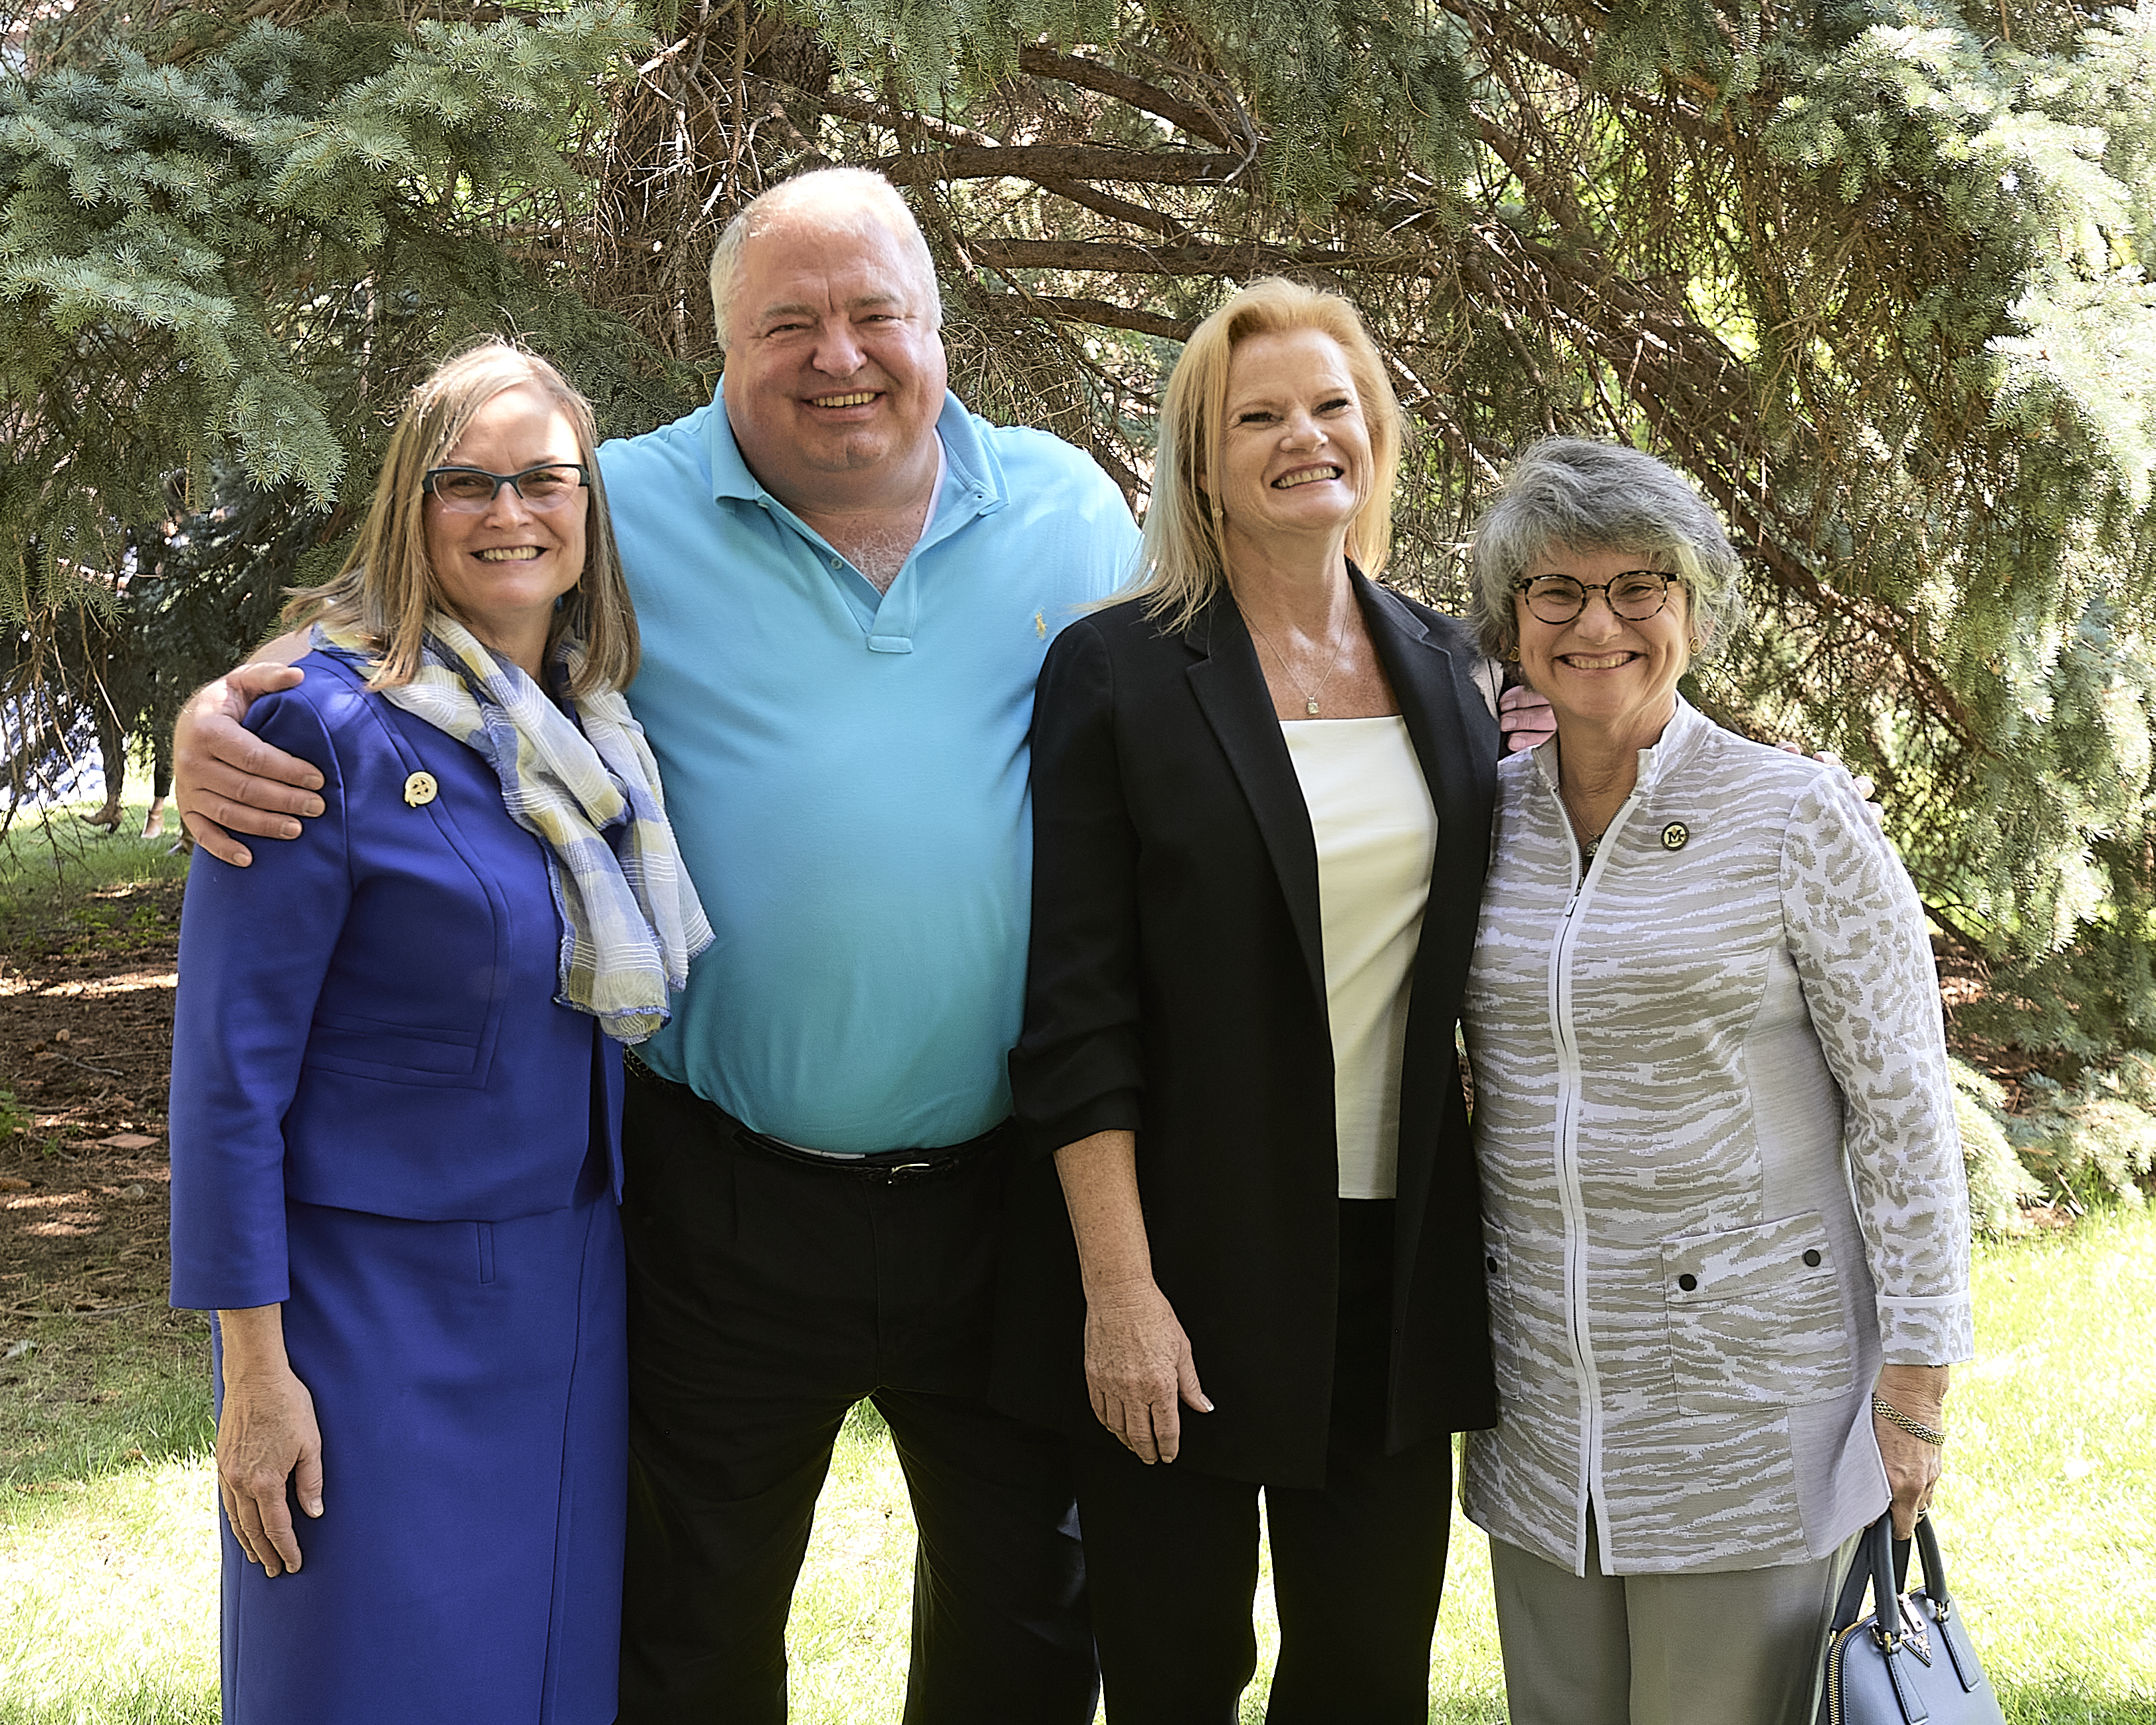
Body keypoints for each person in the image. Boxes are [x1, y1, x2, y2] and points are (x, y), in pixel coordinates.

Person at [173, 168, 1132, 1724]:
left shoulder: (1075, 512)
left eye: (876, 313)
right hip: (722, 1195)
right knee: (686, 1631)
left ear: (936, 325)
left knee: (1027, 1622)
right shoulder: (623, 499)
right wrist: (219, 708)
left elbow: (1221, 702)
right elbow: (412, 605)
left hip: (1001, 1191)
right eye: (789, 323)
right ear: (721, 348)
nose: (840, 354)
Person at [167, 340, 710, 1724]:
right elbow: (228, 1081)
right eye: (465, 481)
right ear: (412, 507)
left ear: (589, 512)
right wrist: (254, 1374)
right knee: (371, 1680)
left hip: (570, 1296)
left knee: (543, 1681)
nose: (506, 510)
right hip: (366, 1322)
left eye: (541, 479)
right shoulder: (311, 732)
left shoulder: (594, 739)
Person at [992, 279, 1501, 1724]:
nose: (1302, 437)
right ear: (1198, 458)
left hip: (1387, 1262)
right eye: (1256, 415)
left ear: (1375, 431)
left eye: (1330, 405)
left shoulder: (1441, 665)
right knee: (1173, 1670)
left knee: (1364, 1668)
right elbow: (1073, 1011)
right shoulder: (1117, 670)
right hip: (1184, 1257)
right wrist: (1120, 1291)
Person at [1457, 436, 1973, 1725]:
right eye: (1555, 590)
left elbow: (1904, 1108)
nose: (1598, 622)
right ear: (1512, 617)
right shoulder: (1477, 817)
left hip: (1745, 1406)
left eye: (1640, 584)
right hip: (1539, 1407)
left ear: (1690, 606)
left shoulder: (1793, 813)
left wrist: (1912, 1383)